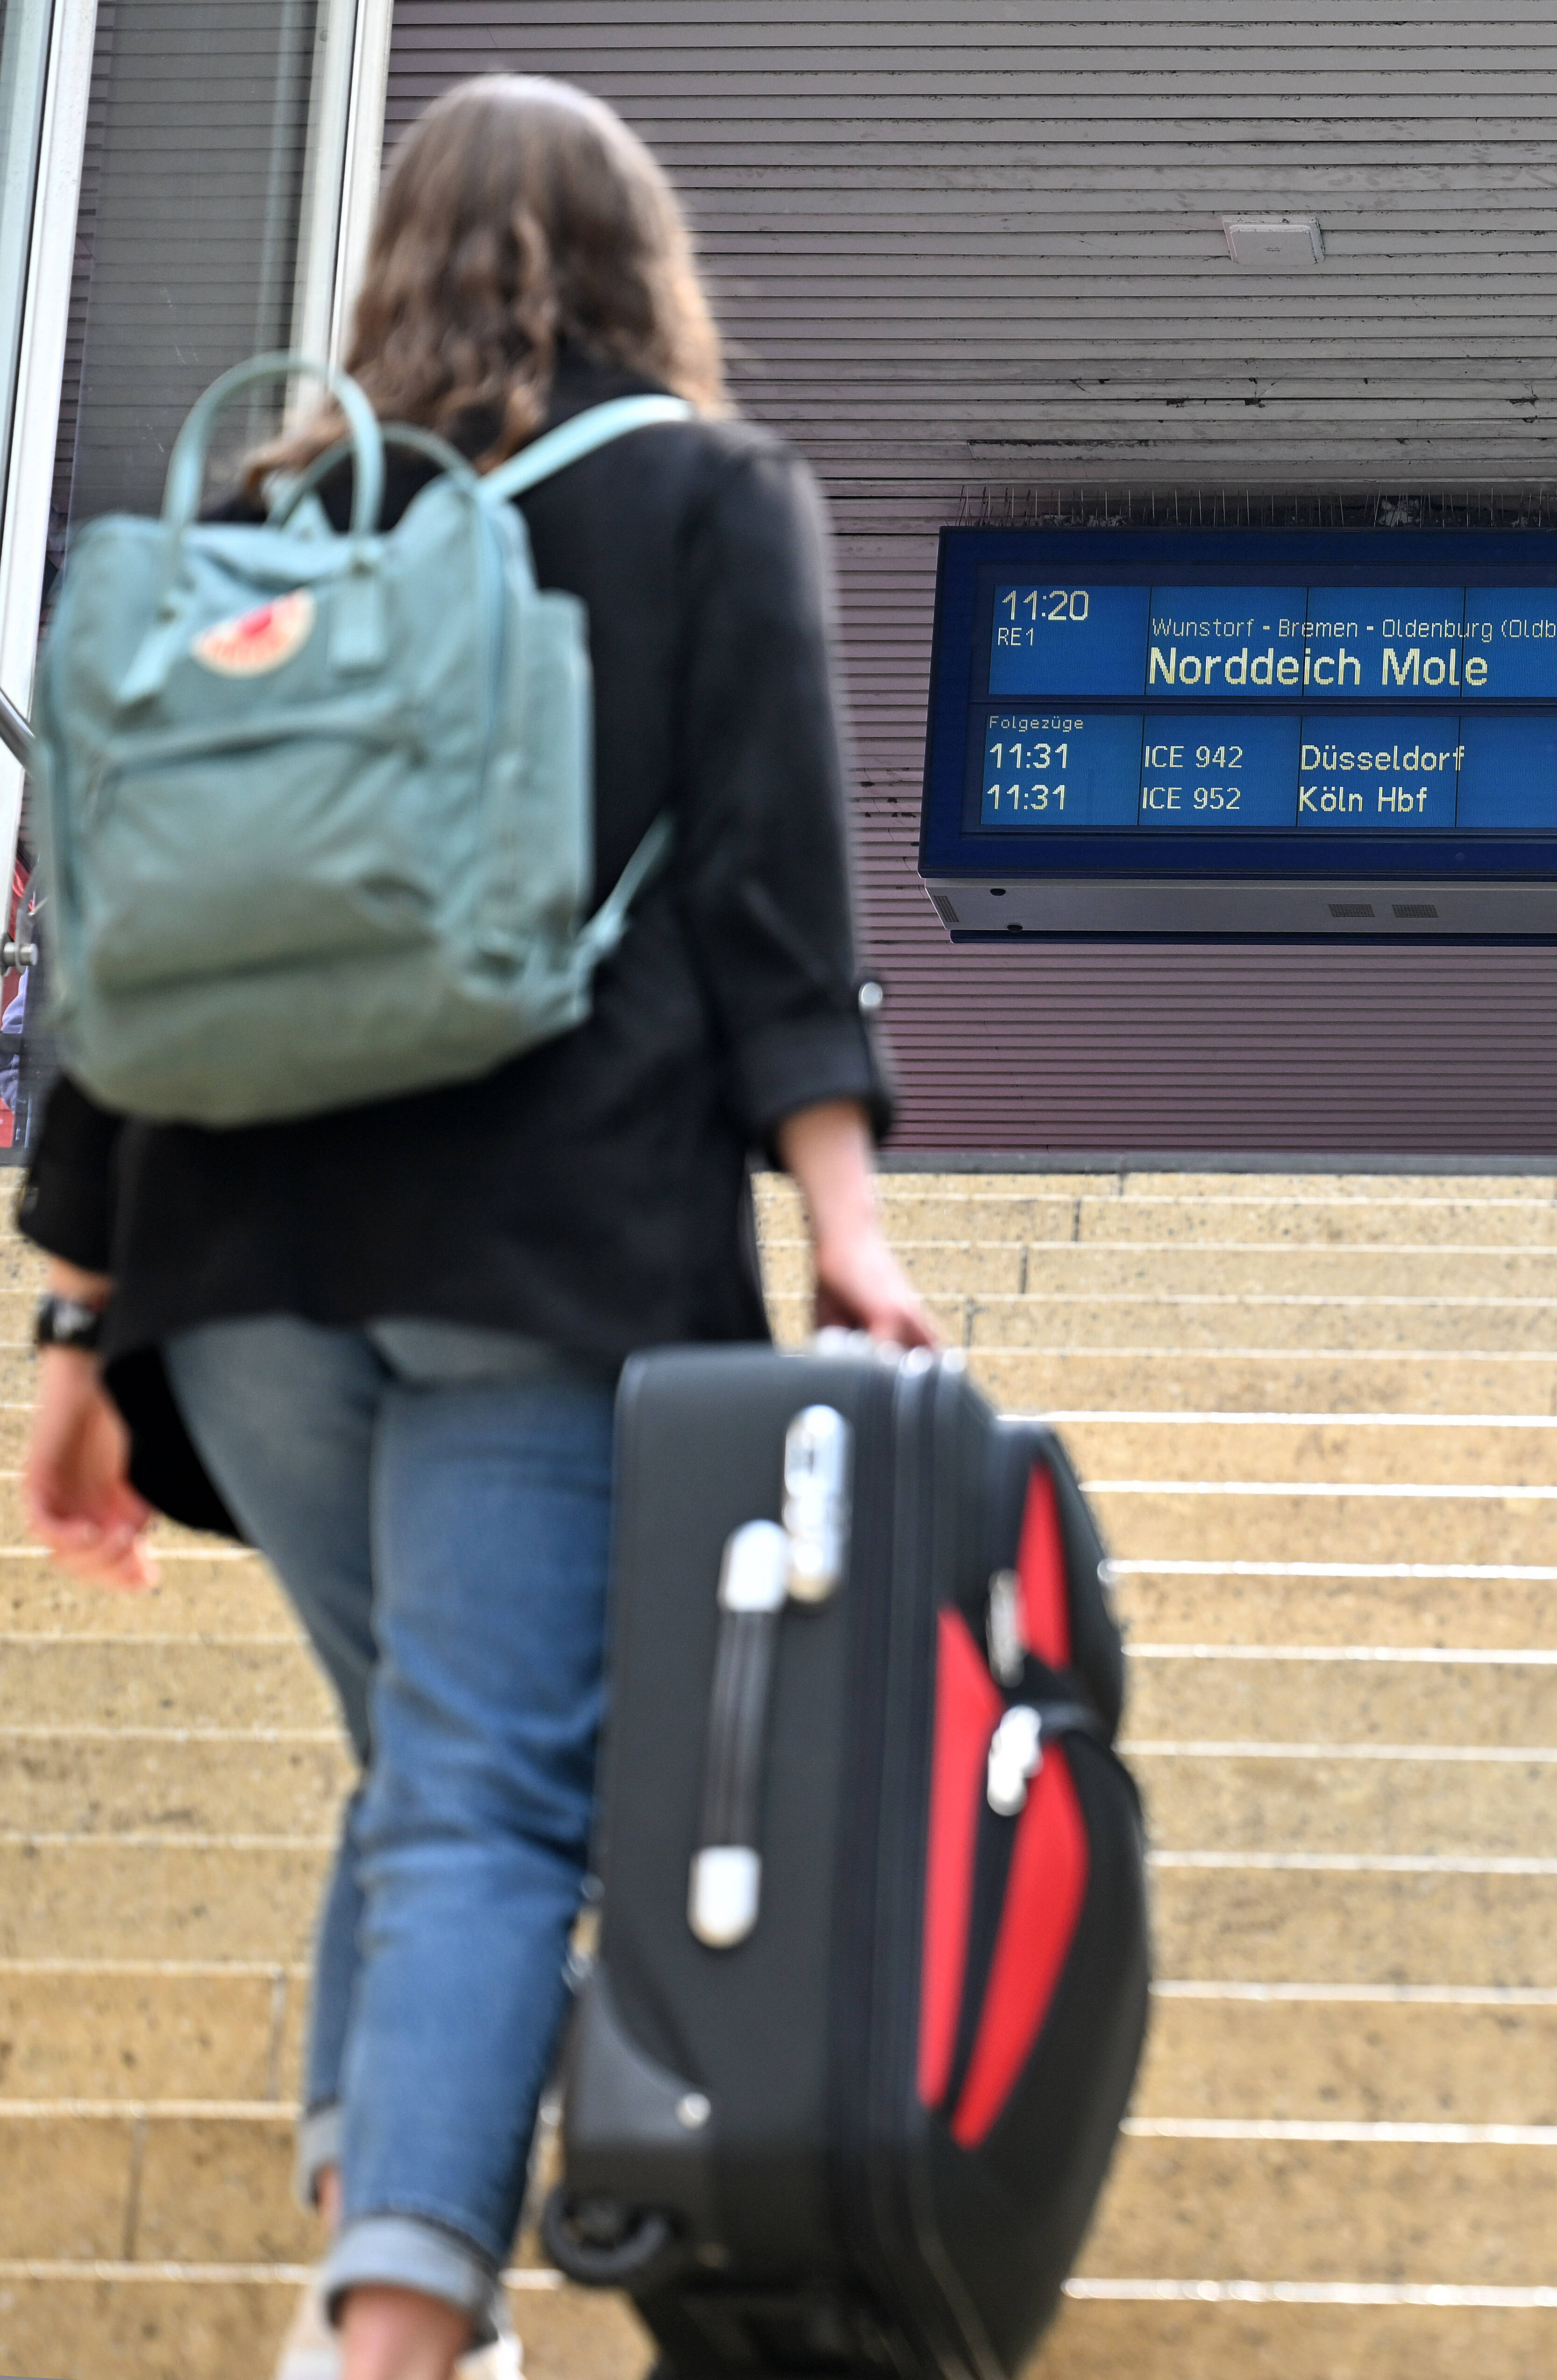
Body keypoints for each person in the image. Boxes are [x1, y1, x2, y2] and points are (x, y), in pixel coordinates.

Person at [14, 74, 938, 2380]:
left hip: (233, 1279)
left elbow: (133, 939)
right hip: (534, 1255)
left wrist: (74, 1328)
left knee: (447, 1759)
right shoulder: (710, 499)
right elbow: (762, 884)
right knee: (492, 1783)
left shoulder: (265, 519)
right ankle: (400, 2324)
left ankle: (378, 2211)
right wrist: (845, 1216)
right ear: (648, 270)